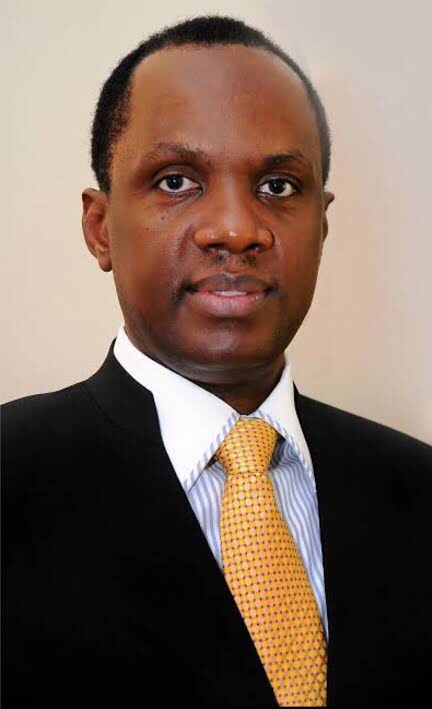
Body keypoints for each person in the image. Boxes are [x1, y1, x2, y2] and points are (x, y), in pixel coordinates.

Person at [2, 14, 431, 709]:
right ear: (100, 227)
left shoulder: (418, 491)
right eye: (176, 181)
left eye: (278, 187)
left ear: (322, 225)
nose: (235, 228)